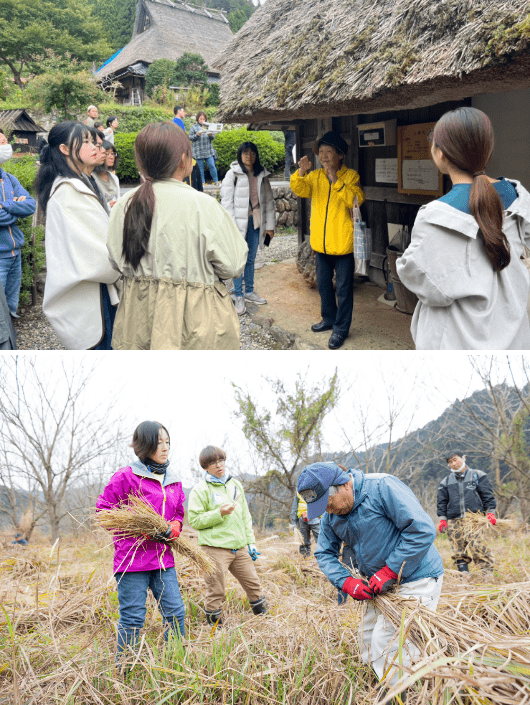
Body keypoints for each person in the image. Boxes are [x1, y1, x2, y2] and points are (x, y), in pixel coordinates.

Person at [297, 462, 444, 690]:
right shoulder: (331, 513)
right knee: (367, 643)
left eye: (329, 504)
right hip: (379, 586)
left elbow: (422, 530)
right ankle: (380, 686)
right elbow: (324, 553)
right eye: (322, 508)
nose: (328, 511)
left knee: (388, 642)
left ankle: (400, 695)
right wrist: (346, 581)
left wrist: (390, 570)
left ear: (345, 484)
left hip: (417, 577)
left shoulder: (382, 487)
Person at [396, 107, 530, 350]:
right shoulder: (517, 196)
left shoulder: (436, 215)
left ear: (439, 154)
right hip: (515, 334)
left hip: (456, 340)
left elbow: (423, 281)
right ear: (486, 150)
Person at [106, 122, 248, 350]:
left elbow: (116, 262)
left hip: (138, 320)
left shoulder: (123, 206)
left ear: (140, 162)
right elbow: (233, 266)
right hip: (196, 323)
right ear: (184, 159)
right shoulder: (205, 206)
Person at [96, 421, 186, 661]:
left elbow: (178, 512)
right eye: (159, 442)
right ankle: (125, 671)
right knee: (133, 618)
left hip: (163, 561)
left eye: (168, 442)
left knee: (175, 613)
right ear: (144, 445)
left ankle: (175, 664)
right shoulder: (126, 476)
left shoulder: (173, 479)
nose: (165, 447)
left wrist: (175, 527)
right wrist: (141, 530)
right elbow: (104, 512)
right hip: (132, 561)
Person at [35, 121, 119, 350]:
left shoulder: (73, 184)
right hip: (91, 294)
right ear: (64, 149)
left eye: (95, 142)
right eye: (86, 142)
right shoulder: (70, 191)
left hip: (92, 289)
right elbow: (102, 252)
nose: (95, 147)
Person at [290, 132, 364, 350]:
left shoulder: (350, 176)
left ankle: (341, 329)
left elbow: (356, 201)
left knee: (343, 289)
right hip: (320, 246)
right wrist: (301, 171)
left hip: (342, 245)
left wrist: (336, 180)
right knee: (323, 286)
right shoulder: (315, 177)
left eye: (328, 152)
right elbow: (299, 189)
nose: (323, 156)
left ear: (340, 155)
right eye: (320, 152)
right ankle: (329, 319)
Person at [187, 446, 268, 626]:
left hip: (239, 548)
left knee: (254, 585)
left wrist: (251, 543)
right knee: (216, 590)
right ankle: (215, 630)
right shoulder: (200, 490)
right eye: (213, 463)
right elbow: (194, 520)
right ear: (205, 467)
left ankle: (265, 622)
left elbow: (245, 515)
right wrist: (219, 513)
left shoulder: (235, 484)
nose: (218, 465)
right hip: (214, 549)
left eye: (221, 460)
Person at [220, 142, 275, 315]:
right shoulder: (233, 174)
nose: (249, 156)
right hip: (238, 223)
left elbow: (269, 202)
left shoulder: (261, 174)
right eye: (245, 153)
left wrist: (270, 227)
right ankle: (238, 295)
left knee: (251, 257)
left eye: (252, 153)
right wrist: (232, 225)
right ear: (240, 155)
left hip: (255, 221)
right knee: (239, 259)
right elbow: (226, 201)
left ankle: (249, 291)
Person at [437, 451, 496, 578]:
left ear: (463, 458)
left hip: (475, 518)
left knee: (479, 546)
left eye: (455, 460)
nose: (454, 464)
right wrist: (442, 519)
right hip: (454, 520)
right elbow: (441, 502)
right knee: (458, 549)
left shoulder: (478, 475)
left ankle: (487, 575)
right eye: (450, 462)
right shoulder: (446, 481)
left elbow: (488, 496)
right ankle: (463, 575)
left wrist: (490, 512)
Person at [0, 129, 37, 318]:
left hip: (15, 253)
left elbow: (31, 205)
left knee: (11, 307)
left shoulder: (8, 178)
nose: (5, 147)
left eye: (5, 141)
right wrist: (15, 207)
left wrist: (6, 205)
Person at [189, 111, 219, 186]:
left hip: (208, 150)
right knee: (200, 168)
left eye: (203, 119)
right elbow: (190, 138)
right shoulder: (193, 127)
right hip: (198, 150)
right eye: (200, 119)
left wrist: (210, 135)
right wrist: (197, 135)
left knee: (212, 165)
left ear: (205, 119)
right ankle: (202, 182)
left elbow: (213, 137)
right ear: (197, 119)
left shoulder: (209, 126)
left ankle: (216, 181)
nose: (202, 120)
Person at [290, 491, 320, 558]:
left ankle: (323, 556)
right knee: (303, 539)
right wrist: (294, 522)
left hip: (316, 517)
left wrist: (310, 513)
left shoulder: (317, 488)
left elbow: (320, 503)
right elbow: (294, 507)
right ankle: (305, 556)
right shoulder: (298, 492)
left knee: (320, 538)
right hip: (302, 518)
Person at [93, 139, 120, 209]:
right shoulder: (91, 178)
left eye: (113, 153)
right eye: (107, 153)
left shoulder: (114, 178)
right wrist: (108, 206)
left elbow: (118, 198)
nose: (111, 157)